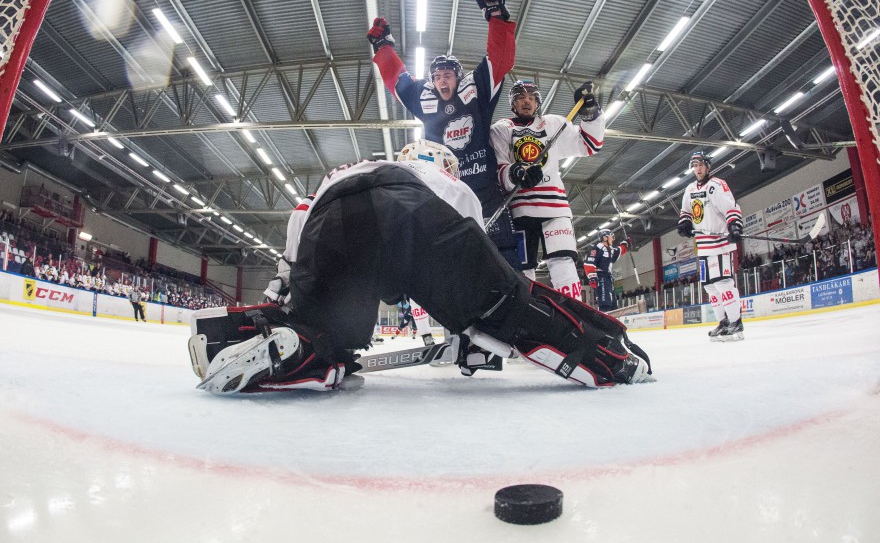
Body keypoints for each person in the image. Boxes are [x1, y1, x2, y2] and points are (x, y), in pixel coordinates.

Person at [187, 140, 653, 394]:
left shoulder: (348, 169)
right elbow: (474, 272)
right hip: (408, 211)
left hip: (328, 221)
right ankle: (608, 356)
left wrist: (286, 299)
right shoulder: (441, 177)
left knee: (331, 336)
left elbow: (297, 228)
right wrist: (470, 330)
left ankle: (292, 346)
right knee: (511, 306)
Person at [367, 0, 520, 269]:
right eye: (437, 76)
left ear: (458, 77)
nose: (442, 81)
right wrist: (383, 47)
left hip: (483, 189)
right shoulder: (425, 99)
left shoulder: (475, 90)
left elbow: (500, 59)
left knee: (504, 261)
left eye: (448, 75)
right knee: (452, 265)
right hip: (445, 192)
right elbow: (397, 81)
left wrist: (497, 14)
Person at [489, 80, 605, 299]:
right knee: (523, 270)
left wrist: (590, 113)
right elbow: (500, 169)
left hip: (555, 208)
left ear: (537, 103)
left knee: (562, 261)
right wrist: (517, 173)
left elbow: (591, 143)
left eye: (532, 98)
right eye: (521, 97)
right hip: (519, 211)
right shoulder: (501, 129)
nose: (527, 101)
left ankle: (574, 314)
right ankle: (527, 319)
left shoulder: (553, 124)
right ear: (513, 102)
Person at [677, 151, 745, 341]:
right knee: (710, 287)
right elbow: (686, 211)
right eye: (695, 165)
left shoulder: (717, 185)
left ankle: (736, 322)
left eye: (700, 165)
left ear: (707, 166)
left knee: (724, 284)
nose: (698, 169)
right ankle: (723, 322)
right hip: (704, 245)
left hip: (721, 243)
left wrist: (734, 226)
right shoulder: (690, 189)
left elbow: (731, 208)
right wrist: (684, 223)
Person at [583, 229, 631, 312]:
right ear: (605, 238)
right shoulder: (597, 248)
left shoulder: (609, 249)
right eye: (611, 237)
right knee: (605, 304)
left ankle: (614, 322)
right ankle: (604, 323)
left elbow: (617, 251)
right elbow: (589, 262)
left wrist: (625, 245)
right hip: (601, 278)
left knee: (613, 305)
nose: (612, 239)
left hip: (609, 279)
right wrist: (592, 277)